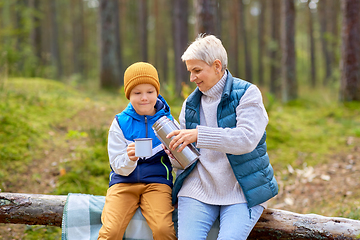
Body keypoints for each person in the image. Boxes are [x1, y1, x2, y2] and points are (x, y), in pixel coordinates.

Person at [166, 35, 278, 240]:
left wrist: (199, 134)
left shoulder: (247, 94)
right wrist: (175, 154)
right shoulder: (190, 104)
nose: (192, 78)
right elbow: (185, 161)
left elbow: (246, 139)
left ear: (217, 66)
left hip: (242, 190)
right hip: (197, 189)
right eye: (190, 71)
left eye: (197, 70)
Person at [98, 62, 177, 240]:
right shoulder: (120, 122)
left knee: (163, 230)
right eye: (137, 93)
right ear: (128, 95)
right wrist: (129, 157)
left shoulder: (168, 121)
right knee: (110, 232)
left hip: (157, 184)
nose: (144, 98)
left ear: (157, 92)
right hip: (123, 183)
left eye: (150, 92)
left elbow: (180, 161)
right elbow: (117, 165)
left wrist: (173, 154)